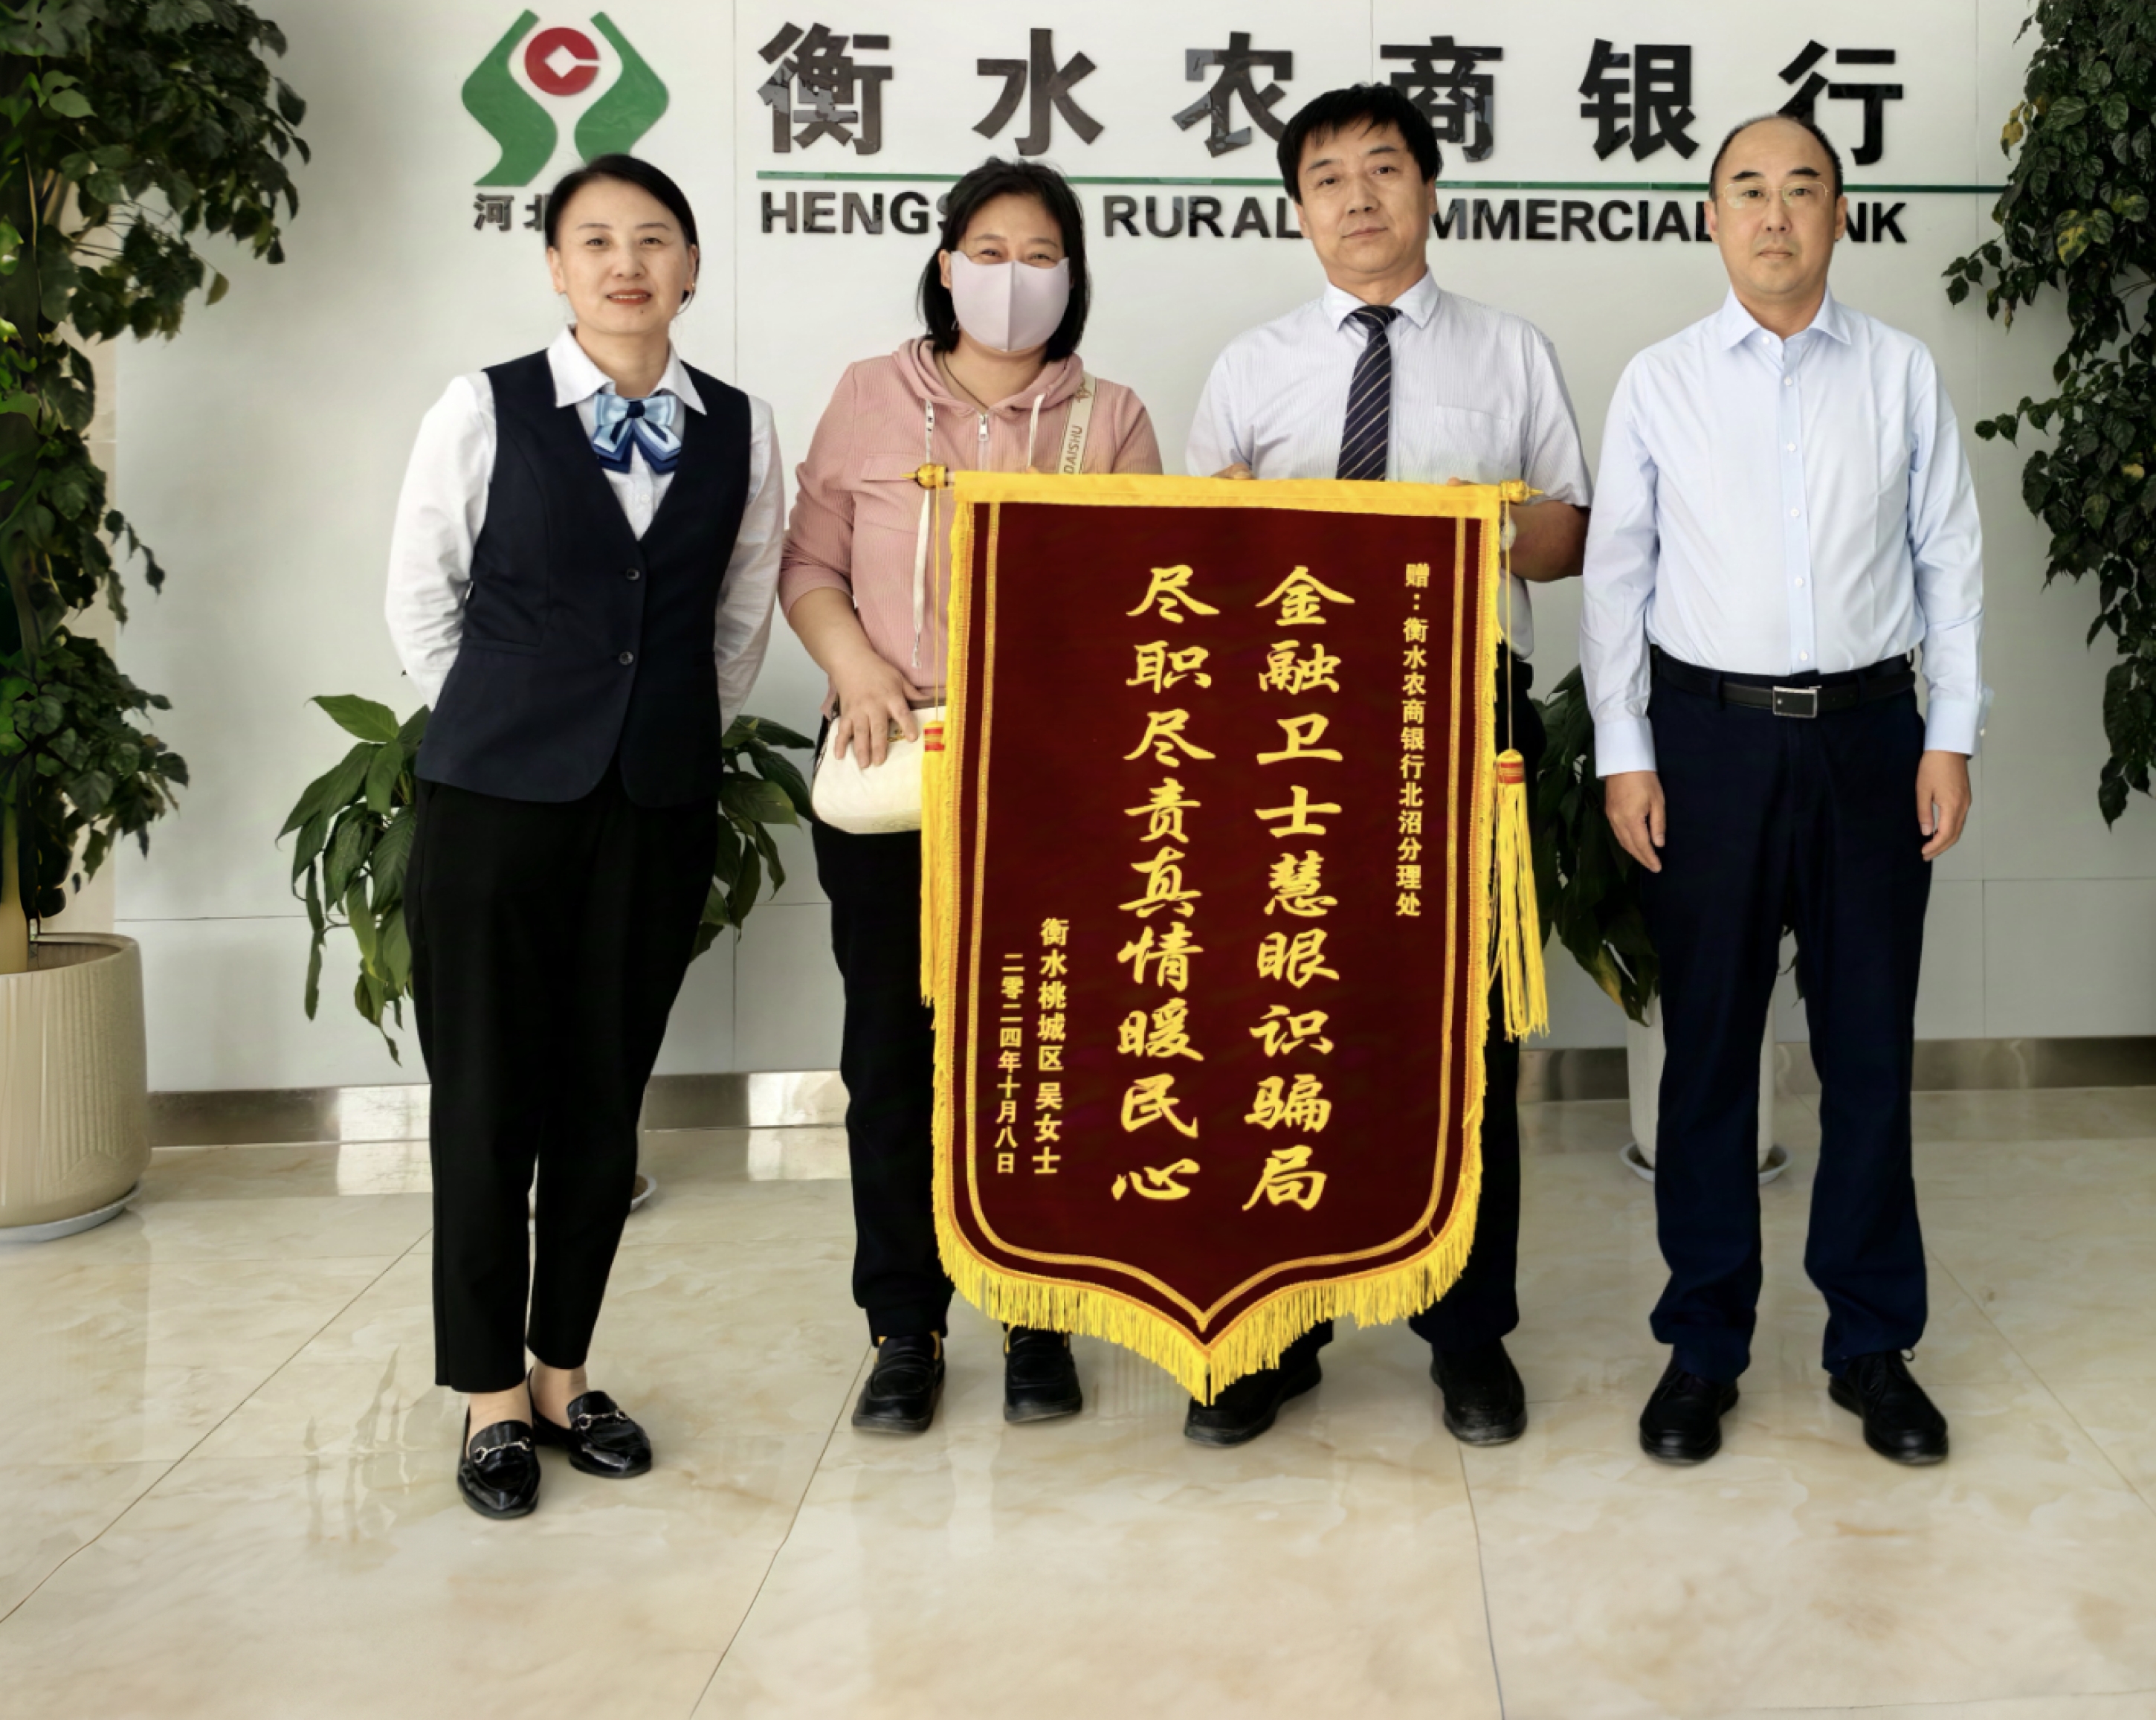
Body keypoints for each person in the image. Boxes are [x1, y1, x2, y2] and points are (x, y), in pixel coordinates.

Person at [1184, 81, 1593, 1450]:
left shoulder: (1510, 350)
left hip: (1464, 713)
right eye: (1327, 178)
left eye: (1383, 168)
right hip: (1288, 725)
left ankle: (1468, 1332)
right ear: (1297, 210)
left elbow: (1569, 534)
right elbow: (1196, 556)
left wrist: (1489, 524)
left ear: (1429, 187)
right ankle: (1277, 1326)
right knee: (1282, 1013)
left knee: (1461, 1031)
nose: (1357, 197)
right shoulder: (1251, 367)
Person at [1580, 112, 1983, 1470]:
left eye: (1801, 188)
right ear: (1713, 219)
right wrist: (1626, 752)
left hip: (1872, 737)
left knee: (1868, 1049)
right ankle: (1703, 1343)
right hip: (1709, 743)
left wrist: (1950, 734)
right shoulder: (1662, 380)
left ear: (1838, 215)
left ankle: (1872, 1342)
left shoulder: (1900, 370)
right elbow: (1617, 579)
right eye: (1746, 189)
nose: (1774, 213)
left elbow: (1949, 561)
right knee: (1708, 1052)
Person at [386, 152, 785, 1521]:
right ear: (556, 268)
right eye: (597, 240)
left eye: (654, 239)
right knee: (486, 1095)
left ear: (691, 267)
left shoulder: (742, 426)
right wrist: (513, 719)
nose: (627, 263)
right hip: (495, 800)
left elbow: (739, 617)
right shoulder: (483, 406)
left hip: (654, 803)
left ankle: (564, 1372)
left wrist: (652, 727)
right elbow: (423, 595)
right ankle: (489, 1393)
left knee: (604, 1099)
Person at [782, 157, 1162, 1435]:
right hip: (891, 758)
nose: (1013, 277)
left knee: (1040, 1045)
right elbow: (810, 564)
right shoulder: (868, 395)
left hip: (1052, 781)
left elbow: (1147, 604)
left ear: (1073, 275)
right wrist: (855, 663)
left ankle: (1037, 1310)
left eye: (1040, 254)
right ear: (946, 265)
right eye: (988, 252)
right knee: (893, 1052)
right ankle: (906, 1324)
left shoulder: (1111, 417)